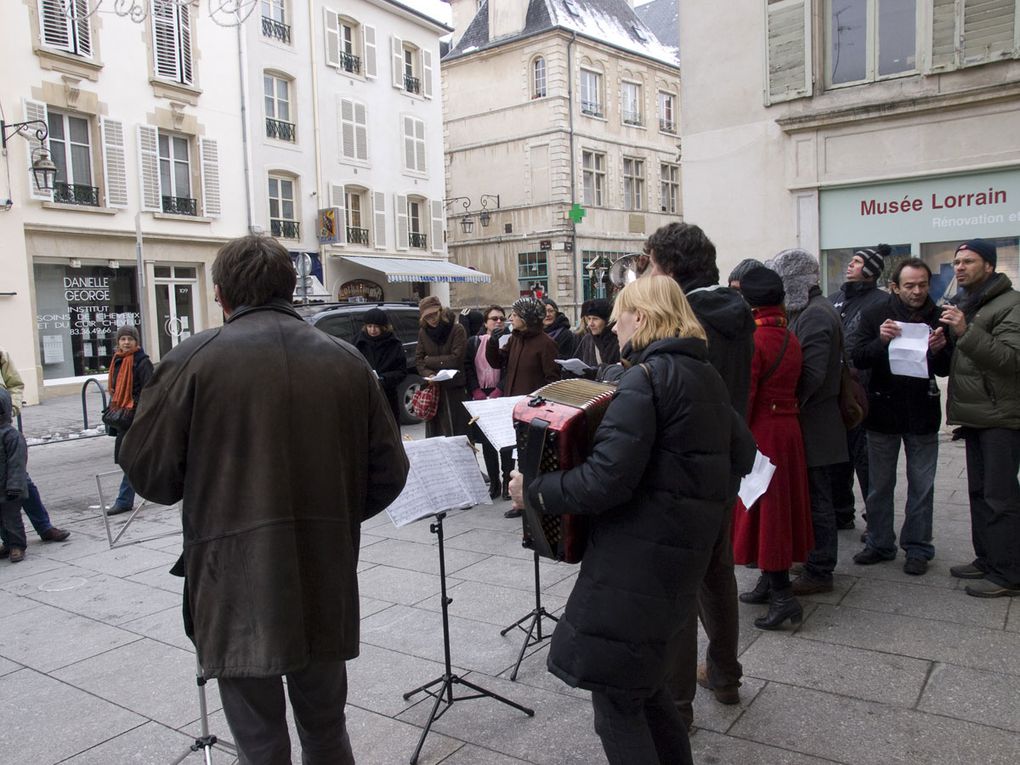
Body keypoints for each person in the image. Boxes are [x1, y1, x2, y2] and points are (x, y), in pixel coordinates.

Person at [119, 235, 409, 764]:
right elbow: (389, 473)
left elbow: (152, 478)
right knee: (326, 729)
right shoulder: (344, 359)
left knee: (259, 741)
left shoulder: (193, 360)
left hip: (233, 578)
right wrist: (330, 515)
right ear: (291, 288)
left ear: (222, 294)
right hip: (322, 569)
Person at [509, 275, 755, 765]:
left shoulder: (646, 379)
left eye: (620, 315)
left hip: (635, 563)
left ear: (641, 318)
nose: (615, 326)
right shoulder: (703, 374)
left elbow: (606, 481)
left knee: (617, 704)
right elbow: (742, 455)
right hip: (677, 556)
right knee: (645, 688)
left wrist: (532, 490)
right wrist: (692, 509)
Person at [641, 222, 755, 721]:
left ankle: (678, 703)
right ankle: (726, 675)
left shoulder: (681, 314)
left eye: (649, 263)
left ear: (667, 265)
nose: (644, 272)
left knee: (679, 584)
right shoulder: (736, 310)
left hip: (682, 465)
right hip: (723, 459)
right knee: (716, 570)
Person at [850, 258, 952, 576]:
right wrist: (880, 341)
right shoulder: (876, 314)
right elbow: (858, 357)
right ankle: (880, 542)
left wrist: (939, 349)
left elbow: (947, 367)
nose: (917, 291)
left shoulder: (939, 317)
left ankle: (918, 547)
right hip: (882, 413)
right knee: (880, 485)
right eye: (910, 285)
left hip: (922, 414)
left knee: (922, 485)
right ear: (895, 286)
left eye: (922, 284)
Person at [731, 267, 813, 630]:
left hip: (763, 433)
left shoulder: (755, 340)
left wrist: (734, 436)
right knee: (773, 510)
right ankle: (769, 580)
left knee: (768, 511)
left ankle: (783, 597)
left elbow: (746, 395)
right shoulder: (788, 335)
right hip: (787, 431)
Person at [939, 239, 1020, 598]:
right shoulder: (971, 304)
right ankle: (987, 559)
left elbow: (1010, 361)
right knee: (978, 493)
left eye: (968, 261)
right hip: (975, 414)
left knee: (1001, 497)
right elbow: (969, 359)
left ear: (989, 265)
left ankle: (1009, 574)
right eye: (956, 261)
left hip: (1000, 416)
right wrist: (945, 345)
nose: (959, 267)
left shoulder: (1011, 304)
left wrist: (963, 332)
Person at [767, 249, 849, 596]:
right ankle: (813, 560)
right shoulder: (811, 311)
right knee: (814, 496)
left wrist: (786, 398)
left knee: (818, 500)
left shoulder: (815, 315)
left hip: (816, 423)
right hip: (813, 421)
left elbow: (812, 375)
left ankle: (820, 568)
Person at [829, 244, 890, 530]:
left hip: (866, 391)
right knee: (839, 458)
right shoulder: (836, 299)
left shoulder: (881, 301)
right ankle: (842, 511)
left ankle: (875, 520)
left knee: (866, 461)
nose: (849, 266)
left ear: (870, 269)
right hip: (839, 390)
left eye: (856, 262)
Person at [486, 297, 559, 514]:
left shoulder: (546, 344)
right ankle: (520, 501)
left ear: (526, 319)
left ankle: (532, 501)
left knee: (531, 458)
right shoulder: (515, 339)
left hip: (534, 410)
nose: (510, 319)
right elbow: (497, 362)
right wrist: (492, 341)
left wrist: (539, 404)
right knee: (518, 455)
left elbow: (552, 380)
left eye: (515, 315)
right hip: (513, 406)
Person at [0, 347, 70, 542]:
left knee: (22, 480)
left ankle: (44, 527)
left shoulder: (1, 354)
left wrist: (11, 407)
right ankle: (10, 539)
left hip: (2, 426)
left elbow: (14, 384)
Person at [105, 325, 154, 516]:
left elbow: (151, 390)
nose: (126, 342)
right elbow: (116, 390)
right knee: (132, 458)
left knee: (129, 458)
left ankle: (124, 500)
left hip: (137, 418)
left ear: (136, 342)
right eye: (123, 339)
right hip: (123, 418)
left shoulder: (142, 362)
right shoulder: (117, 361)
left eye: (130, 339)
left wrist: (139, 410)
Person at [464, 305, 511, 500]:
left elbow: (510, 368)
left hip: (502, 394)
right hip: (480, 396)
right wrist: (475, 389)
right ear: (486, 322)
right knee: (488, 443)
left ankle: (508, 482)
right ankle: (494, 483)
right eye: (494, 318)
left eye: (501, 318)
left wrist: (500, 388)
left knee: (506, 443)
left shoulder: (509, 342)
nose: (498, 321)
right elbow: (468, 366)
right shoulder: (475, 342)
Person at [416, 295, 470, 438]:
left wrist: (430, 361)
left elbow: (456, 359)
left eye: (434, 314)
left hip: (454, 388)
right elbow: (419, 359)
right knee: (435, 434)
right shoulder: (423, 332)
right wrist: (429, 374)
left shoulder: (457, 329)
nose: (432, 319)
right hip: (433, 388)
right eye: (427, 317)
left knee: (456, 432)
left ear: (440, 311)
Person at [353, 307, 407, 425]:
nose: (373, 330)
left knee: (388, 430)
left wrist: (383, 379)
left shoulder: (394, 344)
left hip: (387, 396)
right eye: (370, 326)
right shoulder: (357, 343)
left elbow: (401, 371)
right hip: (364, 396)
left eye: (376, 326)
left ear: (383, 327)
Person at [0, 389, 29, 563]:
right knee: (1, 521)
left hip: (10, 487)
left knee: (12, 519)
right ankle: (8, 542)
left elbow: (17, 463)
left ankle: (17, 545)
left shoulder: (11, 436)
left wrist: (15, 486)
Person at [573, 299, 620, 370]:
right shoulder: (588, 339)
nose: (590, 324)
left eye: (595, 319)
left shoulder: (619, 340)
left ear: (607, 321)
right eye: (589, 319)